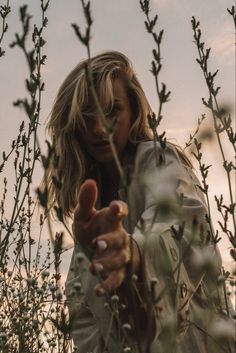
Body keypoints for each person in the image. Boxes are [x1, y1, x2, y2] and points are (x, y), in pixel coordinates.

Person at [45, 51, 235, 353]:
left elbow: (181, 226)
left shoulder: (159, 160)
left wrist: (134, 252)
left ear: (134, 111)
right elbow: (87, 324)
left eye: (111, 110)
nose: (98, 128)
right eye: (86, 116)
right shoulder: (89, 213)